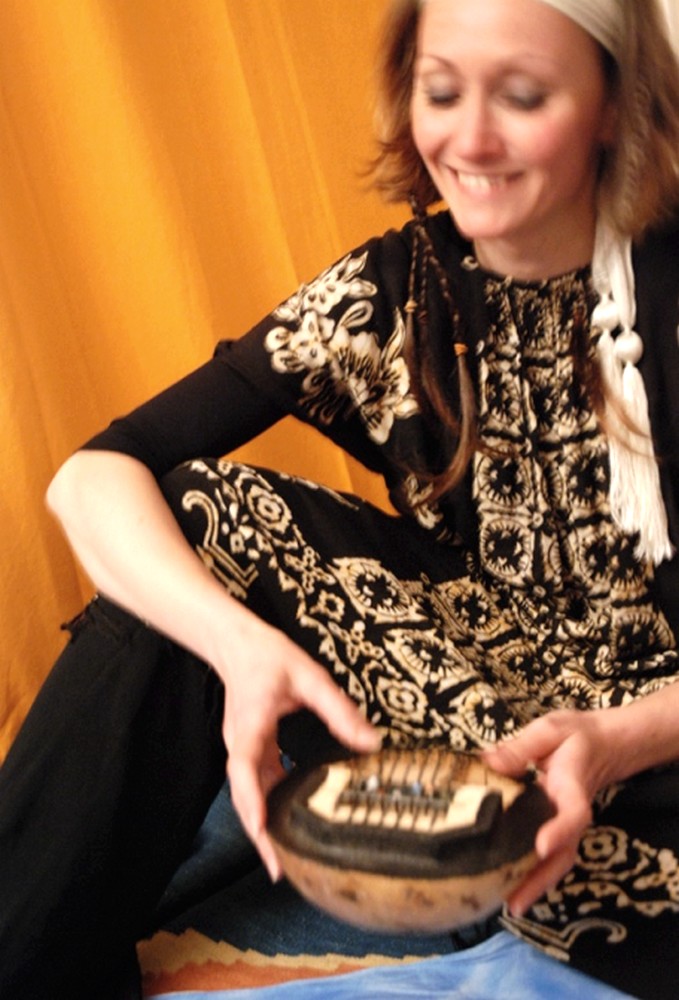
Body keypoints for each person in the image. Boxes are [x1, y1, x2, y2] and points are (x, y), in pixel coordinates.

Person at [2, 0, 679, 997]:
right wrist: (241, 648)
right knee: (193, 514)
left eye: (523, 97)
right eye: (439, 92)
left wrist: (615, 739)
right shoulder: (393, 286)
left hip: (651, 735)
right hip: (469, 692)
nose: (469, 138)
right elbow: (94, 474)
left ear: (614, 107)